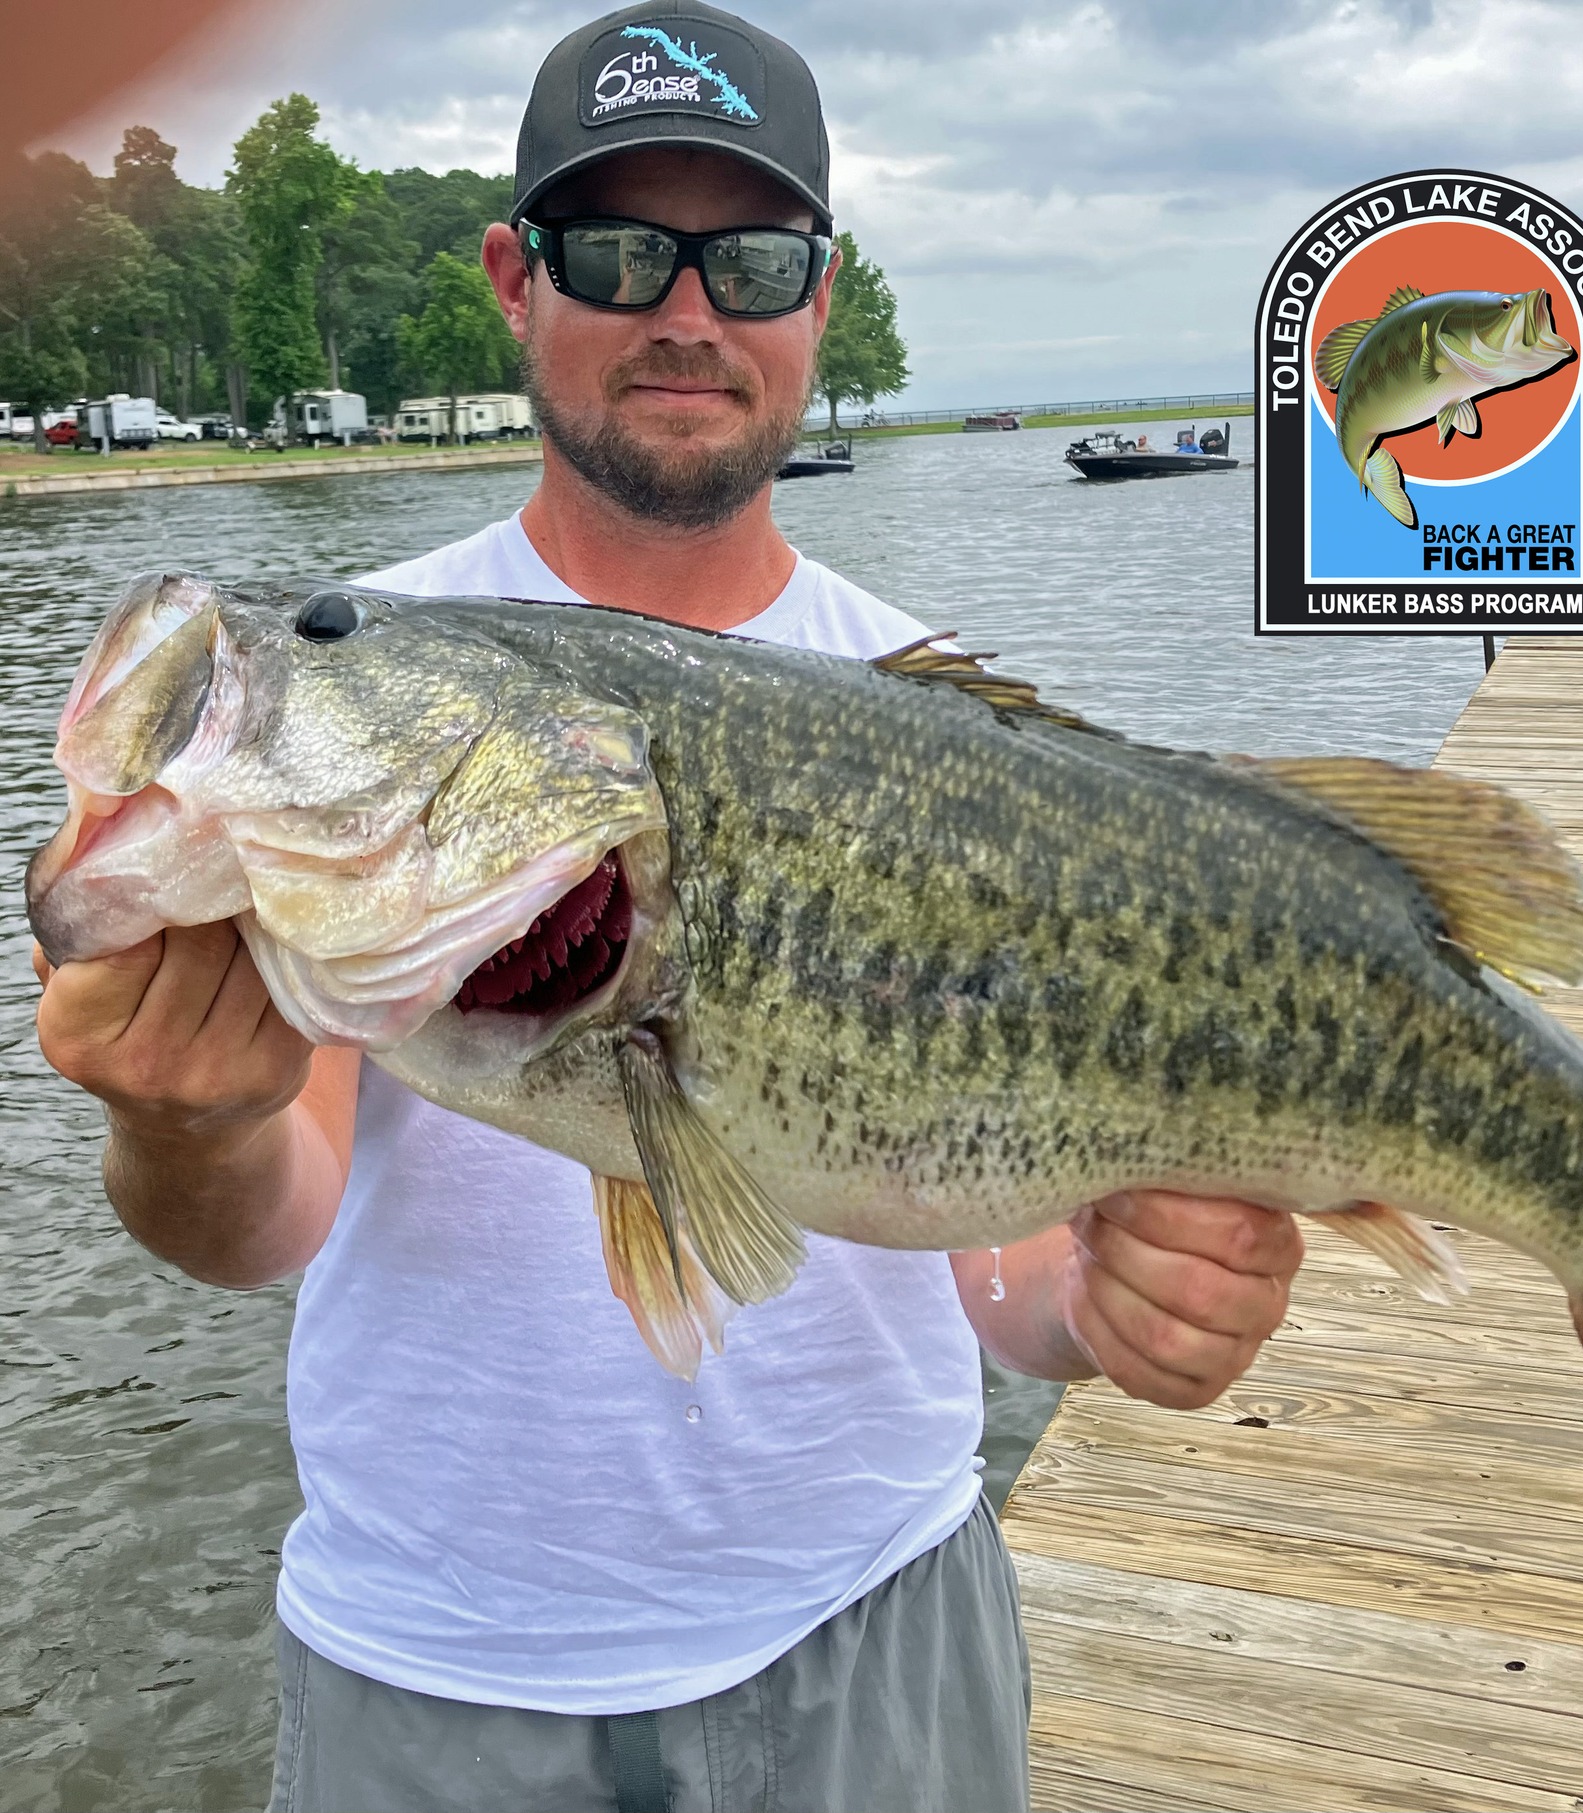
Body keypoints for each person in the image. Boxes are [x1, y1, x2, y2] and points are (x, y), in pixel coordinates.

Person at [31, 6, 1305, 1810]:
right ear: (514, 278)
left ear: (817, 298)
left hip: (882, 1629)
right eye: (621, 252)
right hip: (438, 1671)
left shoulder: (929, 705)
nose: (685, 312)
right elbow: (264, 1217)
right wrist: (185, 1123)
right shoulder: (372, 667)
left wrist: (1110, 1300)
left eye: (751, 257)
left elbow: (990, 1258)